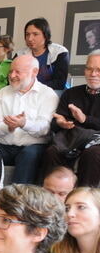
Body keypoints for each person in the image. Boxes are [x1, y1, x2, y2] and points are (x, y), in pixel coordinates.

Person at [0, 54, 59, 184]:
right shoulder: (1, 94)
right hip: (4, 145)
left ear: (34, 72)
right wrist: (9, 127)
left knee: (29, 154)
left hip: (33, 146)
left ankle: (18, 199)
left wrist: (24, 124)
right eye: (10, 71)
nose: (12, 75)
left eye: (18, 72)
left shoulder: (47, 94)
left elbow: (45, 128)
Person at [41, 51, 100, 186]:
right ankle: (52, 197)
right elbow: (56, 123)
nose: (93, 74)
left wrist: (85, 119)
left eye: (98, 70)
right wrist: (61, 123)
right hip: (71, 139)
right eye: (89, 69)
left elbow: (86, 121)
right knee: (52, 152)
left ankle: (85, 197)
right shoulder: (71, 93)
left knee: (92, 154)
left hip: (96, 143)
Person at [18, 17, 70, 91]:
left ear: (45, 35)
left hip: (52, 92)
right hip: (26, 92)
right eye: (27, 34)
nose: (30, 39)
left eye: (35, 34)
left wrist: (33, 87)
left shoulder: (60, 52)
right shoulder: (20, 54)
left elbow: (59, 83)